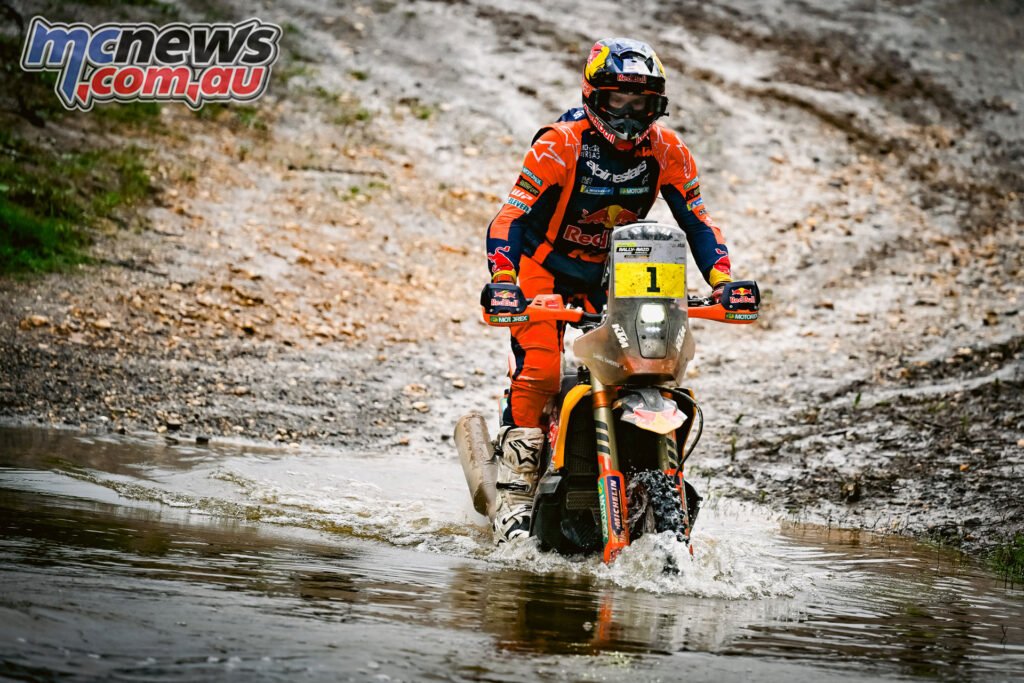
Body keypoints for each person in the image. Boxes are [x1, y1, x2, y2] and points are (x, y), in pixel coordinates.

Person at [482, 38, 733, 544]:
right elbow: (510, 217)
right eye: (618, 99)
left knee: (648, 359)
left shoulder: (668, 149)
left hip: (620, 271)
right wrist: (504, 281)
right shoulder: (560, 142)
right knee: (542, 366)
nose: (629, 112)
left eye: (640, 103)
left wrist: (725, 283)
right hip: (542, 268)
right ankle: (514, 487)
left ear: (656, 105)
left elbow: (699, 223)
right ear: (594, 95)